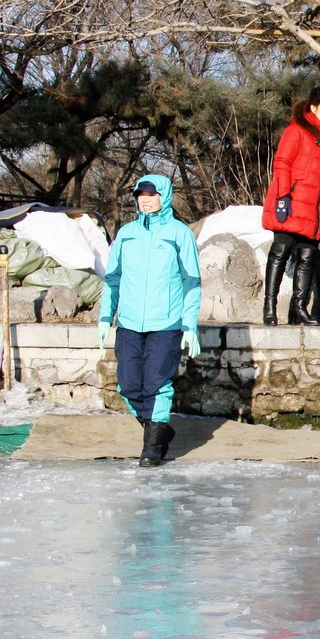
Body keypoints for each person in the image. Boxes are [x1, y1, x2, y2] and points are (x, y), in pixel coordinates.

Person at [98, 175, 202, 467]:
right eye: (140, 194)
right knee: (128, 385)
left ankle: (152, 448)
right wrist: (106, 316)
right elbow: (113, 278)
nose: (145, 199)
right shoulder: (127, 234)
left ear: (164, 197)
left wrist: (189, 324)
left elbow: (191, 282)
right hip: (129, 322)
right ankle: (160, 429)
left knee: (157, 384)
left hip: (166, 323)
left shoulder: (179, 233)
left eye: (151, 194)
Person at [261, 86, 320, 326]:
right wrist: (283, 197)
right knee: (280, 252)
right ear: (314, 108)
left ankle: (300, 308)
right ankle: (270, 306)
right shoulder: (296, 130)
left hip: (315, 211)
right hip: (292, 204)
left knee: (307, 257)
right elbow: (282, 163)